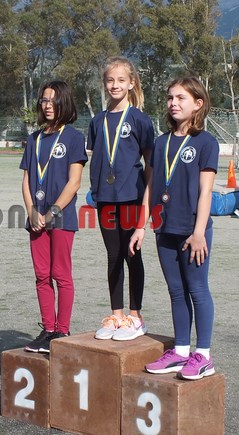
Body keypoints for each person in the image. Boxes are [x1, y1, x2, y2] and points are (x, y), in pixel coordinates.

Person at [141, 77, 219, 380]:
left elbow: (206, 191)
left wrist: (199, 232)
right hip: (164, 228)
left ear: (198, 104)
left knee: (197, 289)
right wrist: (141, 226)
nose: (173, 103)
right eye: (170, 97)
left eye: (181, 98)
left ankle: (204, 355)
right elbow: (151, 186)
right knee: (176, 291)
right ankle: (181, 351)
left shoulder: (206, 142)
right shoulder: (160, 142)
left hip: (192, 231)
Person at [87, 56, 155, 341]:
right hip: (105, 198)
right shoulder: (97, 121)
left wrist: (146, 201)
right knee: (113, 256)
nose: (115, 85)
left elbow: (151, 165)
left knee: (131, 254)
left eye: (121, 80)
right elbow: (99, 158)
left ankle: (135, 317)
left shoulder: (140, 120)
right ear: (104, 83)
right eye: (110, 80)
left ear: (131, 83)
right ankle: (116, 315)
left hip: (131, 197)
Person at [20, 80, 88, 353]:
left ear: (64, 103)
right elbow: (26, 180)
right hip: (36, 217)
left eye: (53, 101)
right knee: (41, 275)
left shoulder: (73, 138)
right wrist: (32, 211)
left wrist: (53, 212)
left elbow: (74, 182)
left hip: (61, 216)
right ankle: (48, 330)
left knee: (61, 274)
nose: (48, 106)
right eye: (44, 100)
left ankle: (62, 330)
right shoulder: (34, 139)